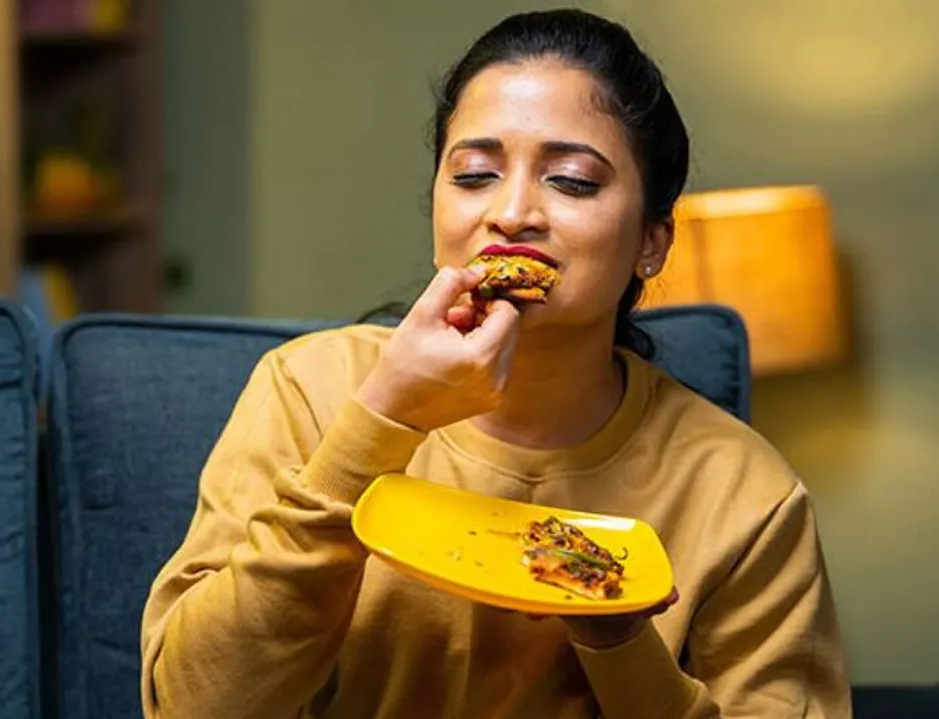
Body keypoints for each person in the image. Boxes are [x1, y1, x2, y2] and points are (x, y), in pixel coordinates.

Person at [141, 9, 851, 718]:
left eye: (572, 181)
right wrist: (381, 420)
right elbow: (193, 706)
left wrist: (623, 639)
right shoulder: (308, 390)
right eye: (475, 174)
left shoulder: (745, 494)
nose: (511, 213)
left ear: (652, 243)